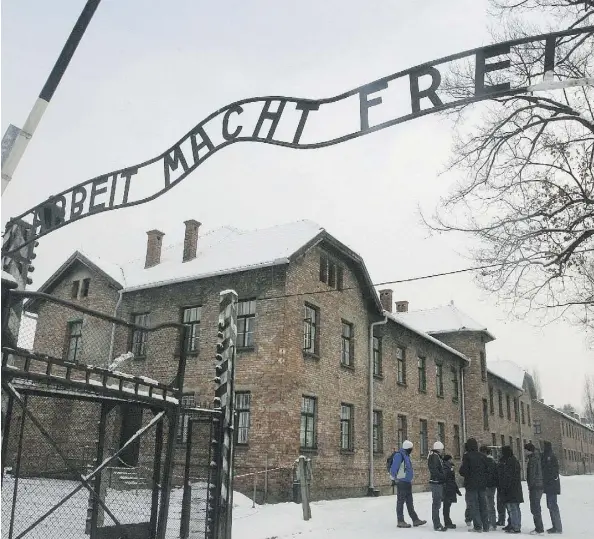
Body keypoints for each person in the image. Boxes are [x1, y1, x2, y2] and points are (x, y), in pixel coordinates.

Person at [390, 440, 427, 528]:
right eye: (411, 448)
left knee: (410, 502)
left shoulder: (406, 455)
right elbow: (394, 467)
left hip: (407, 482)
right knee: (400, 502)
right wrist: (393, 476)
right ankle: (400, 521)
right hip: (402, 482)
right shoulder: (399, 455)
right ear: (407, 448)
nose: (412, 450)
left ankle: (415, 519)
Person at [459, 438, 489, 533]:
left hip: (471, 484)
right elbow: (487, 470)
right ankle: (486, 526)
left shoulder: (467, 456)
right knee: (483, 505)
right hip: (482, 485)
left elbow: (464, 471)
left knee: (473, 505)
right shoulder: (482, 456)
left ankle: (478, 526)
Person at [498, 445, 523, 534]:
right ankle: (514, 524)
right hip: (515, 488)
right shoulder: (514, 460)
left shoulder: (510, 462)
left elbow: (508, 476)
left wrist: (504, 487)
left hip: (511, 489)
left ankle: (515, 526)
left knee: (512, 508)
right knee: (515, 507)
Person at [541, 441, 562, 534]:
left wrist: (550, 479)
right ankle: (555, 526)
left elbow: (552, 471)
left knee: (553, 506)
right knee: (551, 506)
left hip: (551, 486)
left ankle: (557, 527)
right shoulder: (547, 456)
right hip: (550, 485)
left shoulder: (550, 457)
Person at [525, 442, 545, 535]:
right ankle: (539, 527)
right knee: (536, 507)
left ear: (529, 450)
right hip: (539, 485)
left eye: (525, 450)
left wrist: (531, 485)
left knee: (535, 507)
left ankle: (539, 528)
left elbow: (532, 474)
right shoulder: (537, 458)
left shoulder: (533, 460)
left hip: (535, 486)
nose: (524, 452)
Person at [428, 441, 448, 531]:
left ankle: (437, 523)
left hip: (437, 481)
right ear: (439, 449)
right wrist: (442, 476)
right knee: (436, 504)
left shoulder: (434, 456)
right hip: (436, 482)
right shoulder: (434, 457)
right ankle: (437, 524)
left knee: (437, 503)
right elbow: (435, 470)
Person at [480, 445, 499, 531]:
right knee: (490, 504)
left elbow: (487, 474)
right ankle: (492, 522)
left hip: (488, 485)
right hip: (492, 485)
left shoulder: (487, 461)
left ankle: (491, 522)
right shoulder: (493, 461)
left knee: (488, 504)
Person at [442, 454, 461, 529]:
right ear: (448, 460)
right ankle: (447, 522)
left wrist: (457, 490)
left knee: (447, 506)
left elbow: (452, 479)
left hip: (449, 488)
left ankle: (448, 521)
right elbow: (448, 478)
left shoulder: (448, 467)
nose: (451, 461)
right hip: (448, 489)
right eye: (450, 459)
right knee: (446, 506)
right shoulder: (446, 467)